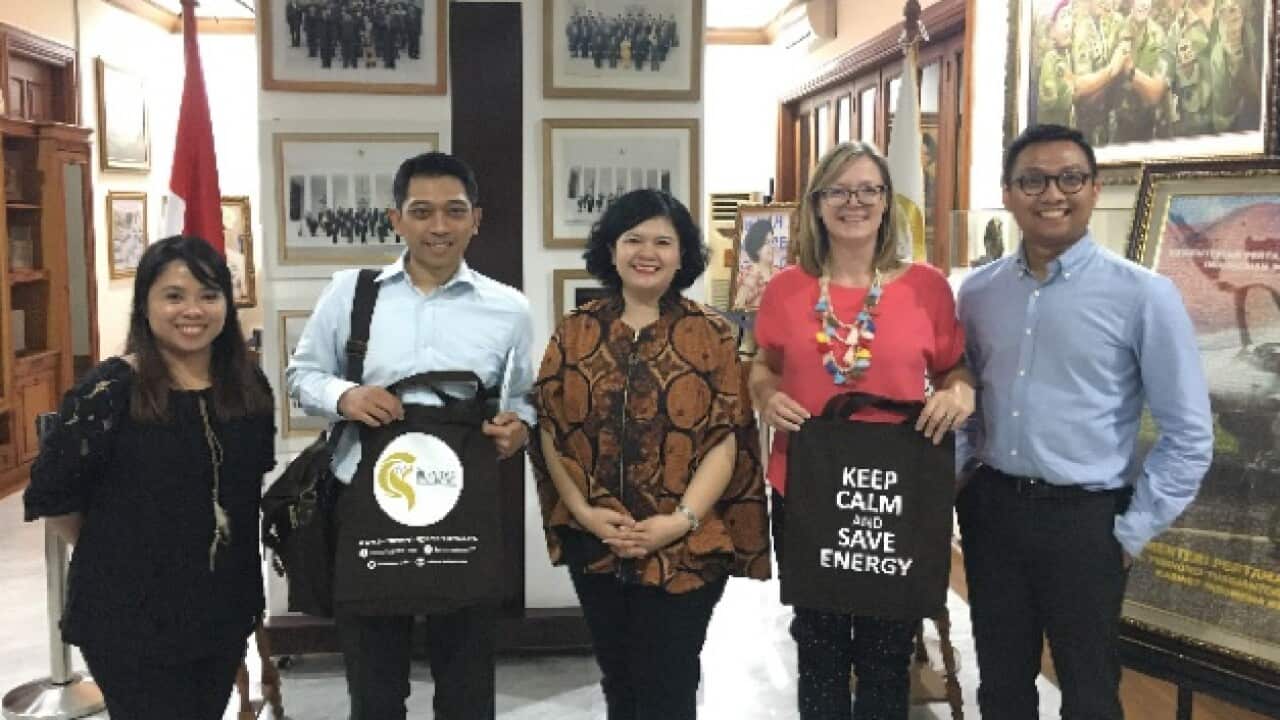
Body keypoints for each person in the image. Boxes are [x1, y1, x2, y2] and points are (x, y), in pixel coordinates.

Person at [955, 124, 1213, 719]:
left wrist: (1133, 530)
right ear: (1009, 192)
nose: (1052, 193)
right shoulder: (979, 293)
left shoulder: (1144, 296)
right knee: (1001, 683)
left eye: (1070, 178)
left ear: (1095, 189)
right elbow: (965, 396)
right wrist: (959, 478)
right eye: (1033, 180)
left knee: (1090, 689)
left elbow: (1189, 432)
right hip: (992, 510)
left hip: (1087, 521)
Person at [286, 151, 533, 720]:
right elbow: (301, 378)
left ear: (477, 218)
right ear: (395, 220)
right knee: (374, 694)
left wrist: (517, 428)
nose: (438, 226)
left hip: (461, 512)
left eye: (454, 211)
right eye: (421, 212)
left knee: (468, 692)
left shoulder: (509, 309)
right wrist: (345, 397)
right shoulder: (352, 294)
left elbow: (523, 398)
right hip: (366, 508)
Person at [749, 141, 974, 720]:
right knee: (819, 642)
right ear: (817, 205)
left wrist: (958, 391)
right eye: (838, 191)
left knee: (886, 648)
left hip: (896, 491)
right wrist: (768, 396)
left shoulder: (925, 287)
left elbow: (954, 366)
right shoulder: (785, 288)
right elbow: (762, 365)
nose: (855, 202)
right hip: (807, 484)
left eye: (869, 189)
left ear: (886, 202)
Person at [531, 189, 771, 720]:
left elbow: (724, 439)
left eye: (664, 241)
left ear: (683, 254)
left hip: (686, 546)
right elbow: (550, 429)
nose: (648, 251)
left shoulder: (712, 334)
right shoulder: (575, 331)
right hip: (598, 542)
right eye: (634, 238)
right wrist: (588, 514)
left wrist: (679, 521)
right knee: (619, 680)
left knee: (668, 684)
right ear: (611, 250)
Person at [23, 236, 275, 719]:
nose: (193, 311)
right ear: (145, 304)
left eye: (208, 294)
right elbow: (55, 493)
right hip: (130, 614)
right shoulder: (110, 390)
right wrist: (118, 546)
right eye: (174, 296)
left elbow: (245, 490)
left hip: (220, 608)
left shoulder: (248, 387)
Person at [733, 218, 779, 309]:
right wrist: (749, 284)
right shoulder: (745, 275)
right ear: (757, 246)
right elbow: (736, 309)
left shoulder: (780, 274)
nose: (772, 246)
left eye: (772, 241)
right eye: (767, 242)